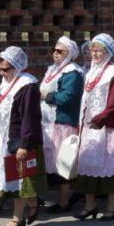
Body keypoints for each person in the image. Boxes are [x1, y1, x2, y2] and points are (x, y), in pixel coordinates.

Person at [0, 46, 47, 226]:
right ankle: (33, 203)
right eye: (0, 69)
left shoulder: (27, 86)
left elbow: (30, 117)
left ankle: (17, 218)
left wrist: (24, 145)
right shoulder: (6, 84)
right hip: (4, 140)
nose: (1, 73)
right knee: (14, 180)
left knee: (19, 180)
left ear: (17, 67)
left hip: (20, 141)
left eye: (6, 69)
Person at [72, 34, 114, 221]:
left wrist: (99, 119)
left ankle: (111, 207)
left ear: (108, 52)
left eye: (99, 50)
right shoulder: (90, 73)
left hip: (109, 127)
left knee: (109, 165)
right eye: (92, 50)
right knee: (87, 164)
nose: (94, 53)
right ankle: (90, 205)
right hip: (89, 126)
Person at [38, 36, 83, 214]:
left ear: (69, 54)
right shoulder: (52, 70)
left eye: (60, 51)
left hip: (63, 123)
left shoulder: (72, 72)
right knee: (53, 163)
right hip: (49, 123)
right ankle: (60, 198)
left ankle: (64, 201)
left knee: (64, 163)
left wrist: (47, 96)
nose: (55, 54)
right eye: (55, 50)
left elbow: (68, 97)